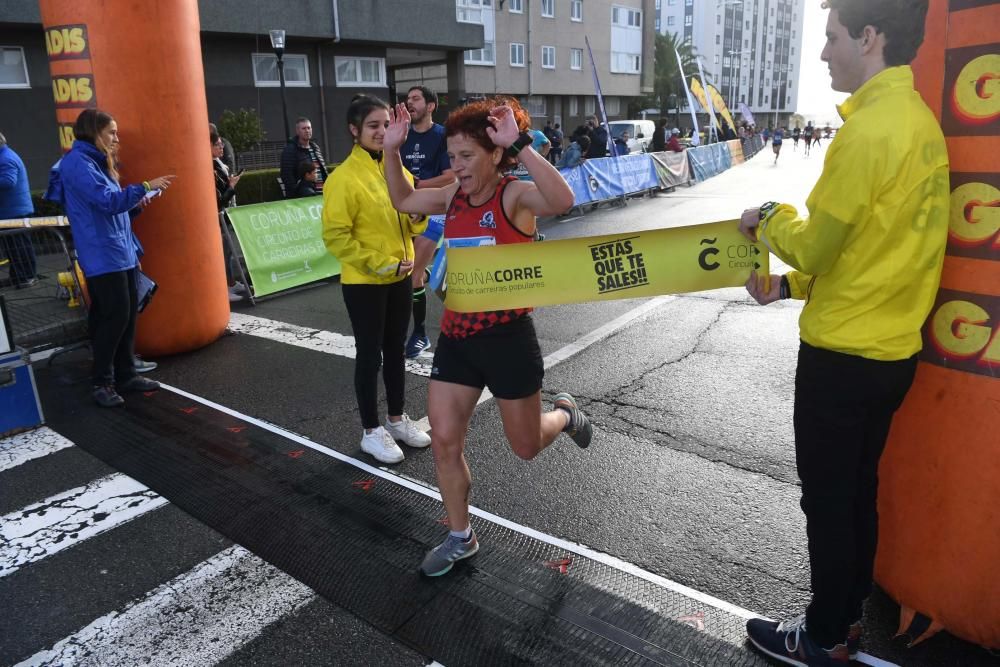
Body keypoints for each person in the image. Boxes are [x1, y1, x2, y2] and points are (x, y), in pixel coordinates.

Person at [737, 2, 949, 664]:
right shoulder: (921, 127)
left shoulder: (867, 133)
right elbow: (874, 255)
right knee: (857, 493)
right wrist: (791, 288)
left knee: (828, 501)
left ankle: (825, 634)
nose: (825, 53)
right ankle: (847, 618)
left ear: (870, 36)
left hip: (839, 358)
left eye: (831, 38)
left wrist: (767, 217)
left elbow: (818, 246)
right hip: (892, 356)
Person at [382, 97, 593, 577]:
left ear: (495, 154)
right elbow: (405, 199)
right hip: (457, 336)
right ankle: (461, 536)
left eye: (467, 157)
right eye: (452, 157)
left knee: (525, 445)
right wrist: (392, 152)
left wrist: (520, 143)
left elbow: (562, 200)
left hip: (508, 339)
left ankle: (565, 414)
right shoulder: (453, 194)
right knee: (444, 441)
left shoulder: (514, 196)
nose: (457, 167)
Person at [322, 94, 432, 464]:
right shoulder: (342, 178)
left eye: (386, 124)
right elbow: (336, 237)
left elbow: (414, 213)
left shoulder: (395, 167)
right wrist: (382, 264)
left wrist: (417, 222)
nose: (382, 132)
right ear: (354, 131)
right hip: (365, 283)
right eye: (373, 125)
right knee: (369, 356)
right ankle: (371, 430)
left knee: (396, 351)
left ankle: (397, 419)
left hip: (399, 277)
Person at [53, 109, 174, 407]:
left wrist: (138, 201)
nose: (117, 138)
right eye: (112, 132)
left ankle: (125, 374)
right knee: (115, 316)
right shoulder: (78, 163)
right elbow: (107, 202)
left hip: (118, 251)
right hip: (101, 254)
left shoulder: (94, 161)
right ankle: (102, 381)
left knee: (127, 313)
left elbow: (113, 207)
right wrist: (145, 187)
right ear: (94, 131)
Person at [400, 85, 457, 359]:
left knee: (413, 271)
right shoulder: (403, 134)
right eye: (407, 99)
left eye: (415, 99)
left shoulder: (443, 135)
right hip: (405, 207)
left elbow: (450, 176)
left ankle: (420, 333)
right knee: (412, 274)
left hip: (434, 209)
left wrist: (418, 184)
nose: (409, 103)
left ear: (431, 106)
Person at [211, 129, 247, 302]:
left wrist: (230, 184)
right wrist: (231, 186)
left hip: (226, 213)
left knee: (228, 251)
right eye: (217, 145)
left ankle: (231, 282)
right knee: (223, 253)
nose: (222, 148)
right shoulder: (209, 166)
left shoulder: (218, 163)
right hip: (218, 215)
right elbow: (219, 198)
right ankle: (224, 287)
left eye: (221, 144)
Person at [0, 131, 37, 288]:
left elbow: (8, 182)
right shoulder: (6, 155)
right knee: (15, 247)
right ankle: (18, 276)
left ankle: (26, 276)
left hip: (14, 211)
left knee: (19, 247)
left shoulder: (5, 159)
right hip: (13, 210)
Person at [281, 117, 328, 198]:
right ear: (297, 131)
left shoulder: (315, 147)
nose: (307, 131)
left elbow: (323, 171)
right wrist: (296, 195)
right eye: (304, 128)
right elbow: (287, 175)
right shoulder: (290, 150)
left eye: (309, 128)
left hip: (322, 194)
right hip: (305, 196)